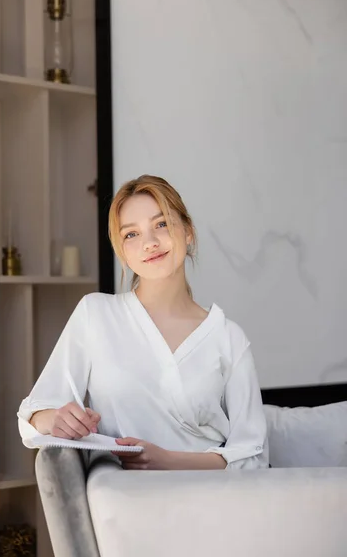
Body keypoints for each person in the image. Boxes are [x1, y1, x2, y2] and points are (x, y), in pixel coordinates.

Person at [18, 174, 268, 470]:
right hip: (123, 502)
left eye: (161, 224)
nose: (149, 243)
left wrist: (168, 461)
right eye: (131, 234)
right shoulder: (95, 314)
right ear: (122, 250)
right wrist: (56, 419)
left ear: (188, 231)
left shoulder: (228, 337)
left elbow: (253, 456)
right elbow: (34, 414)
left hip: (209, 498)